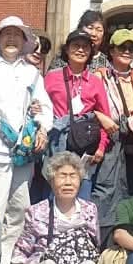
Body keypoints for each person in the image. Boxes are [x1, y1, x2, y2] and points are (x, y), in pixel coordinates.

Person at [0, 16, 54, 264]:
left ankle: (6, 259)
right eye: (7, 34)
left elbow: (44, 108)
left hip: (22, 152)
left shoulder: (32, 73)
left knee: (19, 206)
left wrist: (42, 128)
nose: (12, 39)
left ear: (25, 41)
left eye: (17, 35)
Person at [11, 151, 101, 264]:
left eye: (73, 176)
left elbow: (95, 244)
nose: (68, 182)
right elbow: (21, 250)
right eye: (62, 176)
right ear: (51, 181)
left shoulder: (90, 209)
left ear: (80, 180)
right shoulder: (36, 211)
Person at [43, 28, 113, 198]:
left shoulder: (96, 82)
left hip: (85, 146)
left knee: (82, 194)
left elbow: (105, 116)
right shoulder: (52, 77)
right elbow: (42, 107)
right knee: (55, 193)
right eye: (76, 46)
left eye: (85, 47)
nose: (81, 50)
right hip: (57, 144)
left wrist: (101, 147)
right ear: (67, 50)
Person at [94, 27, 133, 234]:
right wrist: (102, 117)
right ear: (111, 50)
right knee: (106, 188)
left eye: (131, 48)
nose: (127, 52)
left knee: (131, 188)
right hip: (110, 138)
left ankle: (128, 235)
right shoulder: (100, 76)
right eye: (122, 47)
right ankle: (102, 236)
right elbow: (90, 105)